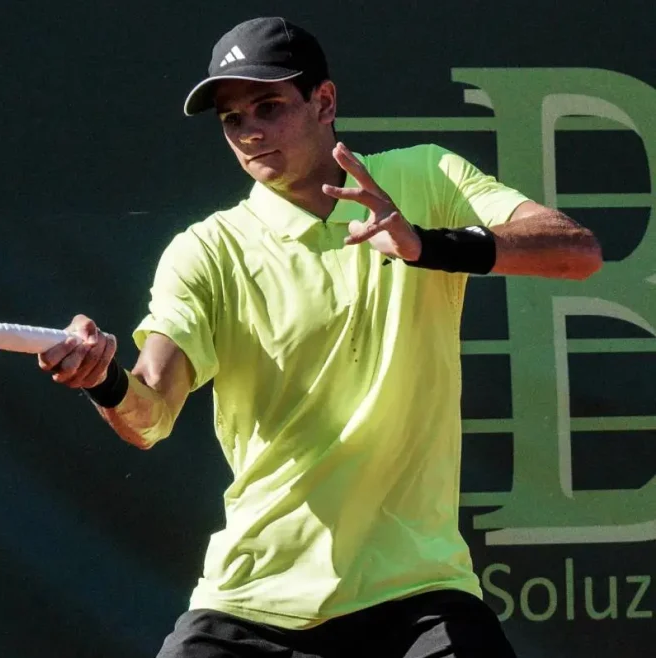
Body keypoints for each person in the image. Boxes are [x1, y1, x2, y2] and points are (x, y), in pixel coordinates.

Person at [36, 16, 602, 658]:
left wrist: (427, 245)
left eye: (268, 105)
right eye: (231, 118)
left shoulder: (425, 176)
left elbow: (575, 250)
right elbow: (150, 416)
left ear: (324, 102)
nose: (249, 130)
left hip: (419, 595)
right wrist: (105, 379)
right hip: (253, 603)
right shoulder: (205, 253)